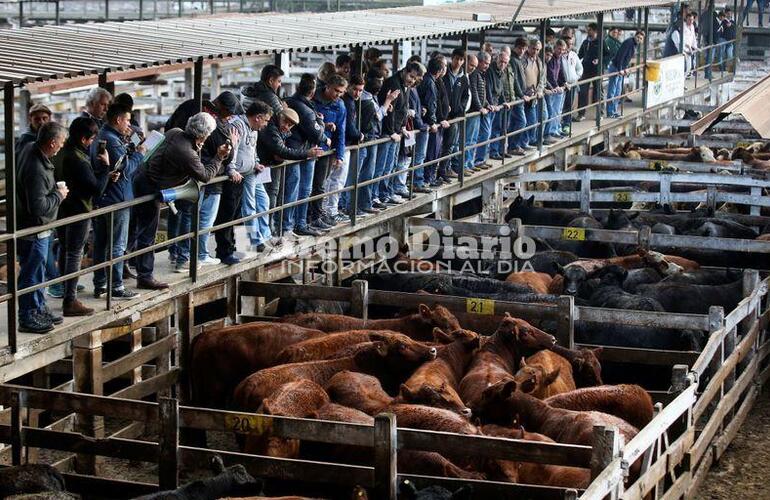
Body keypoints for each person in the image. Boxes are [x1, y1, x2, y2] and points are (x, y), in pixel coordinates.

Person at [133, 113, 229, 282]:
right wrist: (219, 157)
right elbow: (205, 175)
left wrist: (198, 146)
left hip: (141, 180)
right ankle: (145, 276)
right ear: (202, 135)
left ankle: (124, 268)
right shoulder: (186, 152)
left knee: (134, 229)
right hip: (150, 189)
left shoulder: (175, 132)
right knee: (147, 234)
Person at [54, 118, 111, 317]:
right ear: (83, 138)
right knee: (74, 253)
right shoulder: (77, 158)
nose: (92, 143)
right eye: (91, 139)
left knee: (64, 248)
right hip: (78, 210)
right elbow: (96, 189)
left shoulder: (61, 152)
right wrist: (105, 168)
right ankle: (70, 300)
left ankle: (65, 292)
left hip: (61, 210)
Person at [15, 122, 68, 333]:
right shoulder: (36, 167)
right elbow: (38, 207)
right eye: (61, 142)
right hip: (34, 229)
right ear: (52, 143)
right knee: (32, 274)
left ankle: (37, 309)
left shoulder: (31, 148)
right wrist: (58, 195)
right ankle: (27, 317)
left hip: (38, 229)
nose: (62, 146)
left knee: (38, 273)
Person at [91, 103, 144, 297]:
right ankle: (116, 287)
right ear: (118, 120)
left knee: (101, 243)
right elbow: (126, 170)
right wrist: (139, 154)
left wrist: (129, 145)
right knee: (117, 245)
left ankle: (101, 284)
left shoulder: (102, 136)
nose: (129, 123)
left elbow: (118, 165)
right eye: (127, 120)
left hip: (104, 197)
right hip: (117, 197)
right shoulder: (112, 141)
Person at [258, 109, 324, 242]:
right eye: (285, 123)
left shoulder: (278, 128)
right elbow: (281, 150)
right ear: (279, 116)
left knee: (270, 201)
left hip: (268, 168)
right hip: (261, 168)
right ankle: (259, 238)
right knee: (262, 203)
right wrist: (307, 153)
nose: (286, 127)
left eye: (290, 126)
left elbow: (280, 151)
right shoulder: (271, 128)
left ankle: (267, 235)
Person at [207, 91, 250, 267]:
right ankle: (225, 251)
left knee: (241, 213)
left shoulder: (238, 126)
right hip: (226, 177)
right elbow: (229, 155)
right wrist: (231, 144)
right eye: (264, 121)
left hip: (241, 176)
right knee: (226, 216)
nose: (231, 115)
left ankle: (241, 248)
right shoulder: (229, 126)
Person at [283, 74, 329, 237]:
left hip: (294, 150)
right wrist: (322, 124)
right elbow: (317, 134)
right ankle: (296, 225)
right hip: (304, 152)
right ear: (312, 91)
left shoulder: (292, 101)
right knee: (301, 190)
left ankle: (288, 226)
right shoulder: (307, 109)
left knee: (292, 190)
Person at [374, 62, 421, 202]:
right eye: (411, 76)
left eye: (414, 79)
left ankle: (387, 193)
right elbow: (390, 111)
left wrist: (401, 128)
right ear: (405, 71)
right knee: (383, 167)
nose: (411, 80)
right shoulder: (394, 84)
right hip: (388, 134)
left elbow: (402, 110)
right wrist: (391, 132)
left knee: (391, 166)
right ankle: (379, 195)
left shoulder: (405, 86)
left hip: (397, 132)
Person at [234, 101, 274, 250]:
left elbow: (252, 150)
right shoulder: (238, 125)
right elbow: (234, 151)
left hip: (251, 171)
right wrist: (232, 169)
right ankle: (255, 241)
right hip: (242, 173)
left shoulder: (254, 130)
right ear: (258, 117)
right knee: (247, 206)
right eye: (266, 120)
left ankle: (265, 236)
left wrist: (256, 162)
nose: (266, 124)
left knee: (264, 201)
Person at [312, 73, 348, 227]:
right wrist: (323, 125)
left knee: (321, 185)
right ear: (327, 87)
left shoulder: (339, 105)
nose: (338, 95)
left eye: (341, 92)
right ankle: (310, 217)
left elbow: (341, 131)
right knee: (309, 186)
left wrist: (339, 155)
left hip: (326, 151)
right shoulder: (313, 98)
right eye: (336, 91)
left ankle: (317, 215)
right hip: (311, 148)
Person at [357, 70, 391, 212]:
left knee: (367, 172)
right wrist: (388, 101)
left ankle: (365, 202)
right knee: (367, 173)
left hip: (371, 137)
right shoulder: (367, 101)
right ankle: (364, 204)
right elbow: (377, 116)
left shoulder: (368, 98)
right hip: (370, 137)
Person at [339, 74, 367, 217]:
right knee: (342, 180)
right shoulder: (348, 102)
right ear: (348, 87)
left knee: (344, 180)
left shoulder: (350, 101)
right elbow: (349, 127)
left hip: (347, 145)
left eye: (361, 90)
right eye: (355, 89)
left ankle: (344, 207)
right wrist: (359, 135)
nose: (358, 93)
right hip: (345, 145)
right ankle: (343, 208)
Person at [418, 56, 446, 187]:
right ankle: (428, 178)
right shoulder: (430, 82)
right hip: (429, 124)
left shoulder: (428, 80)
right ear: (439, 71)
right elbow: (431, 103)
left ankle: (427, 177)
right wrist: (433, 121)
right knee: (431, 152)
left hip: (425, 121)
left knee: (429, 152)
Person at [442, 48, 470, 177]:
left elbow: (466, 96)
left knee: (451, 144)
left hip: (455, 117)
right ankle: (442, 170)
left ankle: (446, 169)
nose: (458, 62)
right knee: (443, 145)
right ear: (452, 58)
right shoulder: (444, 74)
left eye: (461, 59)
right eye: (457, 59)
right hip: (443, 116)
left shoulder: (463, 78)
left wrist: (460, 108)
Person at [606, 30, 645, 118]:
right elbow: (621, 56)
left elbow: (626, 59)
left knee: (618, 91)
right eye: (638, 37)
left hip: (620, 69)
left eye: (641, 38)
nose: (639, 39)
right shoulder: (629, 43)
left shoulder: (634, 44)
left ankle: (614, 111)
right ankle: (610, 112)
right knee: (612, 91)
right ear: (635, 36)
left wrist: (625, 69)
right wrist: (620, 69)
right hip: (616, 68)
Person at [406, 63, 431, 193]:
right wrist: (421, 125)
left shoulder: (414, 88)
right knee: (416, 157)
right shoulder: (410, 88)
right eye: (419, 77)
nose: (420, 80)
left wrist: (420, 109)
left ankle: (417, 181)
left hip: (417, 126)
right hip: (413, 128)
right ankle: (416, 182)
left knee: (416, 157)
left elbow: (415, 106)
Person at [472, 51, 496, 168]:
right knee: (475, 137)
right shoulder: (475, 74)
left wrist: (487, 104)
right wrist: (480, 107)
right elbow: (474, 92)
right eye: (485, 63)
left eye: (488, 63)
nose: (487, 66)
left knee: (485, 134)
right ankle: (475, 161)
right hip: (476, 111)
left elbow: (483, 94)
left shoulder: (482, 74)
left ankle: (479, 160)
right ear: (480, 62)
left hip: (482, 109)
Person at [577, 22, 603, 122]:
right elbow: (579, 55)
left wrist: (600, 61)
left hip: (597, 72)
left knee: (598, 93)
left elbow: (608, 55)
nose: (588, 31)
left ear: (595, 31)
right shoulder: (585, 42)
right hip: (585, 71)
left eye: (590, 29)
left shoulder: (600, 42)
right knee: (582, 92)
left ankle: (599, 113)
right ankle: (581, 114)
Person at [489, 47, 512, 161]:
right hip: (493, 104)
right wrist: (493, 104)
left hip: (499, 103)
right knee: (495, 128)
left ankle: (501, 150)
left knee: (503, 128)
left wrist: (504, 102)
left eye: (505, 62)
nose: (503, 64)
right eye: (501, 61)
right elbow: (489, 89)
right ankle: (493, 151)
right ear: (497, 60)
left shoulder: (501, 72)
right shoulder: (491, 70)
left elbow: (501, 89)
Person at [508, 38, 530, 155]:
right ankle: (513, 146)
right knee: (521, 121)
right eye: (520, 48)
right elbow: (515, 79)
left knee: (516, 122)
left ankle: (513, 145)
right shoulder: (513, 60)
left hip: (520, 95)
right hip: (517, 97)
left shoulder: (519, 60)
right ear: (515, 47)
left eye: (524, 48)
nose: (522, 50)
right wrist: (521, 94)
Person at [523, 39, 546, 147]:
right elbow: (519, 77)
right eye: (533, 49)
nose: (535, 51)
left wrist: (539, 90)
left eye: (537, 50)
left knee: (533, 120)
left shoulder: (539, 62)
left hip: (534, 96)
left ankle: (529, 140)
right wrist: (525, 90)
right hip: (524, 95)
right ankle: (523, 142)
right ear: (529, 47)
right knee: (524, 121)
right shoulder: (523, 60)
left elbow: (542, 79)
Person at [464, 54, 485, 172]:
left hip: (475, 112)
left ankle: (470, 163)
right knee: (467, 140)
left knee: (472, 139)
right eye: (471, 65)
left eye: (474, 66)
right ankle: (465, 164)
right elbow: (475, 92)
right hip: (471, 111)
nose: (473, 68)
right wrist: (480, 107)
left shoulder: (473, 74)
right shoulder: (471, 76)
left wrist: (484, 105)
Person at [543, 43, 567, 144]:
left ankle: (555, 129)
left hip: (553, 89)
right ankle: (548, 133)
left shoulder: (559, 58)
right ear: (555, 48)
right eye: (559, 49)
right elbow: (550, 75)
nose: (560, 51)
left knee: (557, 111)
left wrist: (564, 82)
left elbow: (560, 71)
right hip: (549, 90)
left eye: (562, 50)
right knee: (549, 112)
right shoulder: (550, 60)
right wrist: (555, 86)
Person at [560, 35, 583, 134]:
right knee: (560, 107)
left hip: (572, 84)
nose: (570, 46)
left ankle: (566, 125)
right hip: (561, 85)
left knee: (569, 106)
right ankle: (558, 126)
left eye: (572, 44)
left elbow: (580, 68)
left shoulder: (573, 54)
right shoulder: (559, 56)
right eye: (568, 44)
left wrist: (575, 78)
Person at [683, 12, 698, 76]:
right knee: (684, 66)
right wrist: (689, 47)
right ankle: (682, 81)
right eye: (689, 19)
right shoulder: (683, 26)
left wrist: (695, 47)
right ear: (686, 19)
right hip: (684, 48)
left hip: (690, 49)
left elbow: (693, 37)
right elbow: (683, 39)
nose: (691, 21)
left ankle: (684, 78)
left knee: (689, 67)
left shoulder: (692, 26)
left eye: (692, 20)